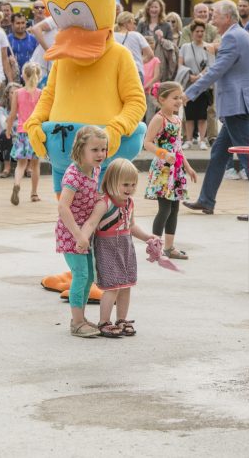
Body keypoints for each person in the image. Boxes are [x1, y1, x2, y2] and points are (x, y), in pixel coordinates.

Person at [182, 0, 249, 215]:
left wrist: (189, 93)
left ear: (227, 17)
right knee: (219, 154)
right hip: (240, 102)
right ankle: (206, 200)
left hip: (237, 103)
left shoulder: (231, 37)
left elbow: (216, 71)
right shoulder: (239, 34)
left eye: (215, 15)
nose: (212, 20)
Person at [78, 158, 157, 338]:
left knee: (126, 285)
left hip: (125, 246)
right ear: (113, 182)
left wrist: (147, 237)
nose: (129, 189)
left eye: (133, 185)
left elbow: (131, 225)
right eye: (125, 184)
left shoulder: (129, 203)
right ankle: (104, 321)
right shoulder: (104, 203)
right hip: (107, 247)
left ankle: (122, 319)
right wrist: (82, 238)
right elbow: (91, 223)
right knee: (112, 287)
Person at [54, 126, 107, 338]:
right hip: (71, 233)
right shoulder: (73, 175)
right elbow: (63, 207)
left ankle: (81, 317)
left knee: (89, 276)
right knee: (81, 274)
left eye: (103, 149)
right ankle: (76, 323)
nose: (100, 154)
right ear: (80, 149)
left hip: (84, 233)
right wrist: (78, 235)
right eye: (95, 150)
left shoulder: (94, 170)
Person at [143, 81, 197, 259]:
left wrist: (188, 168)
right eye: (175, 98)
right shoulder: (159, 119)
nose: (179, 101)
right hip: (163, 170)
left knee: (174, 209)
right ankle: (155, 247)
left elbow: (178, 147)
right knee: (164, 209)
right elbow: (148, 142)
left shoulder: (177, 120)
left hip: (176, 170)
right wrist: (163, 154)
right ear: (162, 99)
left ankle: (169, 247)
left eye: (180, 97)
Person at [9, 63, 43, 205]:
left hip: (22, 132)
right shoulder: (40, 94)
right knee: (35, 165)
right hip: (34, 133)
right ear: (38, 76)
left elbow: (12, 114)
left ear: (23, 75)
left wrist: (8, 129)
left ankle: (17, 184)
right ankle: (34, 193)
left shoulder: (17, 93)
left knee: (20, 165)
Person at [179, 20, 214, 149]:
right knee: (189, 114)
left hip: (203, 86)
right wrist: (190, 76)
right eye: (197, 31)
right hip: (188, 84)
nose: (199, 34)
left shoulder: (208, 47)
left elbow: (211, 65)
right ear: (192, 33)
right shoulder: (185, 47)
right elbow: (180, 64)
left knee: (202, 114)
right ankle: (188, 140)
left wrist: (199, 76)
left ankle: (202, 140)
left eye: (201, 31)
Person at [114, 11, 154, 84]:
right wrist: (139, 61)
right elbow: (150, 55)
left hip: (117, 72)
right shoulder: (136, 35)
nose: (134, 25)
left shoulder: (112, 36)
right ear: (129, 22)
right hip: (135, 71)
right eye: (134, 22)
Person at [7, 12, 37, 78]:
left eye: (23, 23)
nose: (21, 26)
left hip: (30, 76)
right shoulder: (7, 40)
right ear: (12, 24)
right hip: (13, 77)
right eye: (18, 23)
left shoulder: (33, 39)